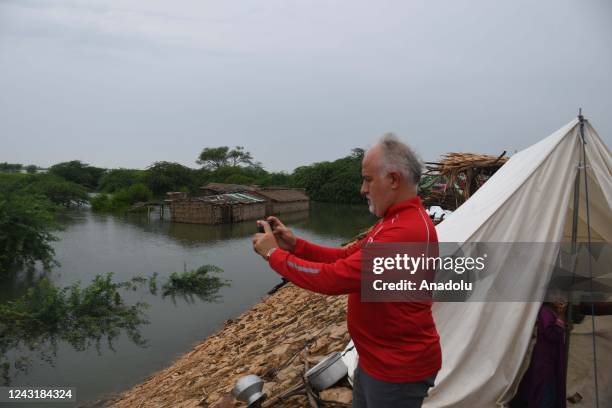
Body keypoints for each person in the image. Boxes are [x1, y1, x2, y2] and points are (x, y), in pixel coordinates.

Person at [252, 134, 441, 408]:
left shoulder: (405, 232)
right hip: (375, 360)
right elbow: (344, 257)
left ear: (393, 179)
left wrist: (273, 254)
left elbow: (333, 279)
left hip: (397, 371)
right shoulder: (393, 221)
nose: (362, 188)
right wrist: (294, 245)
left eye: (368, 179)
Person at [512, 301, 572, 408]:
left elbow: (557, 327)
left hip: (552, 354)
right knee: (544, 383)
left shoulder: (553, 310)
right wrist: (561, 316)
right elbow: (551, 334)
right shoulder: (545, 310)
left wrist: (565, 325)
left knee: (546, 381)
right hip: (545, 355)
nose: (561, 300)